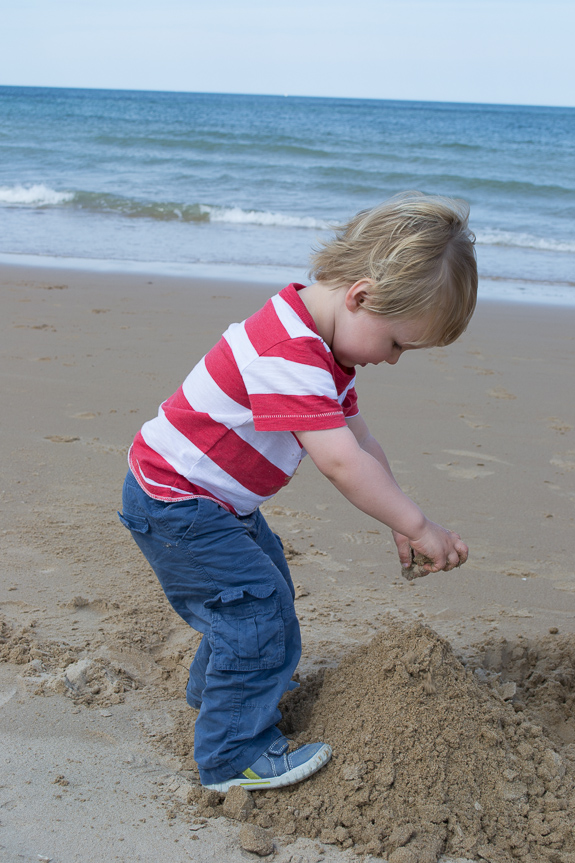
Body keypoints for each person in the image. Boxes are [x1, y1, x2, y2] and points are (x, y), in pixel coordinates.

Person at [119, 191, 478, 793]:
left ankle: (219, 692)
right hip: (176, 503)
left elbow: (361, 444)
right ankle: (232, 756)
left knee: (268, 590)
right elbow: (339, 462)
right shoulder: (288, 353)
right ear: (360, 297)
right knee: (253, 610)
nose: (393, 362)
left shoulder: (323, 348)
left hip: (211, 499)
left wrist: (399, 514)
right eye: (397, 345)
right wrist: (419, 527)